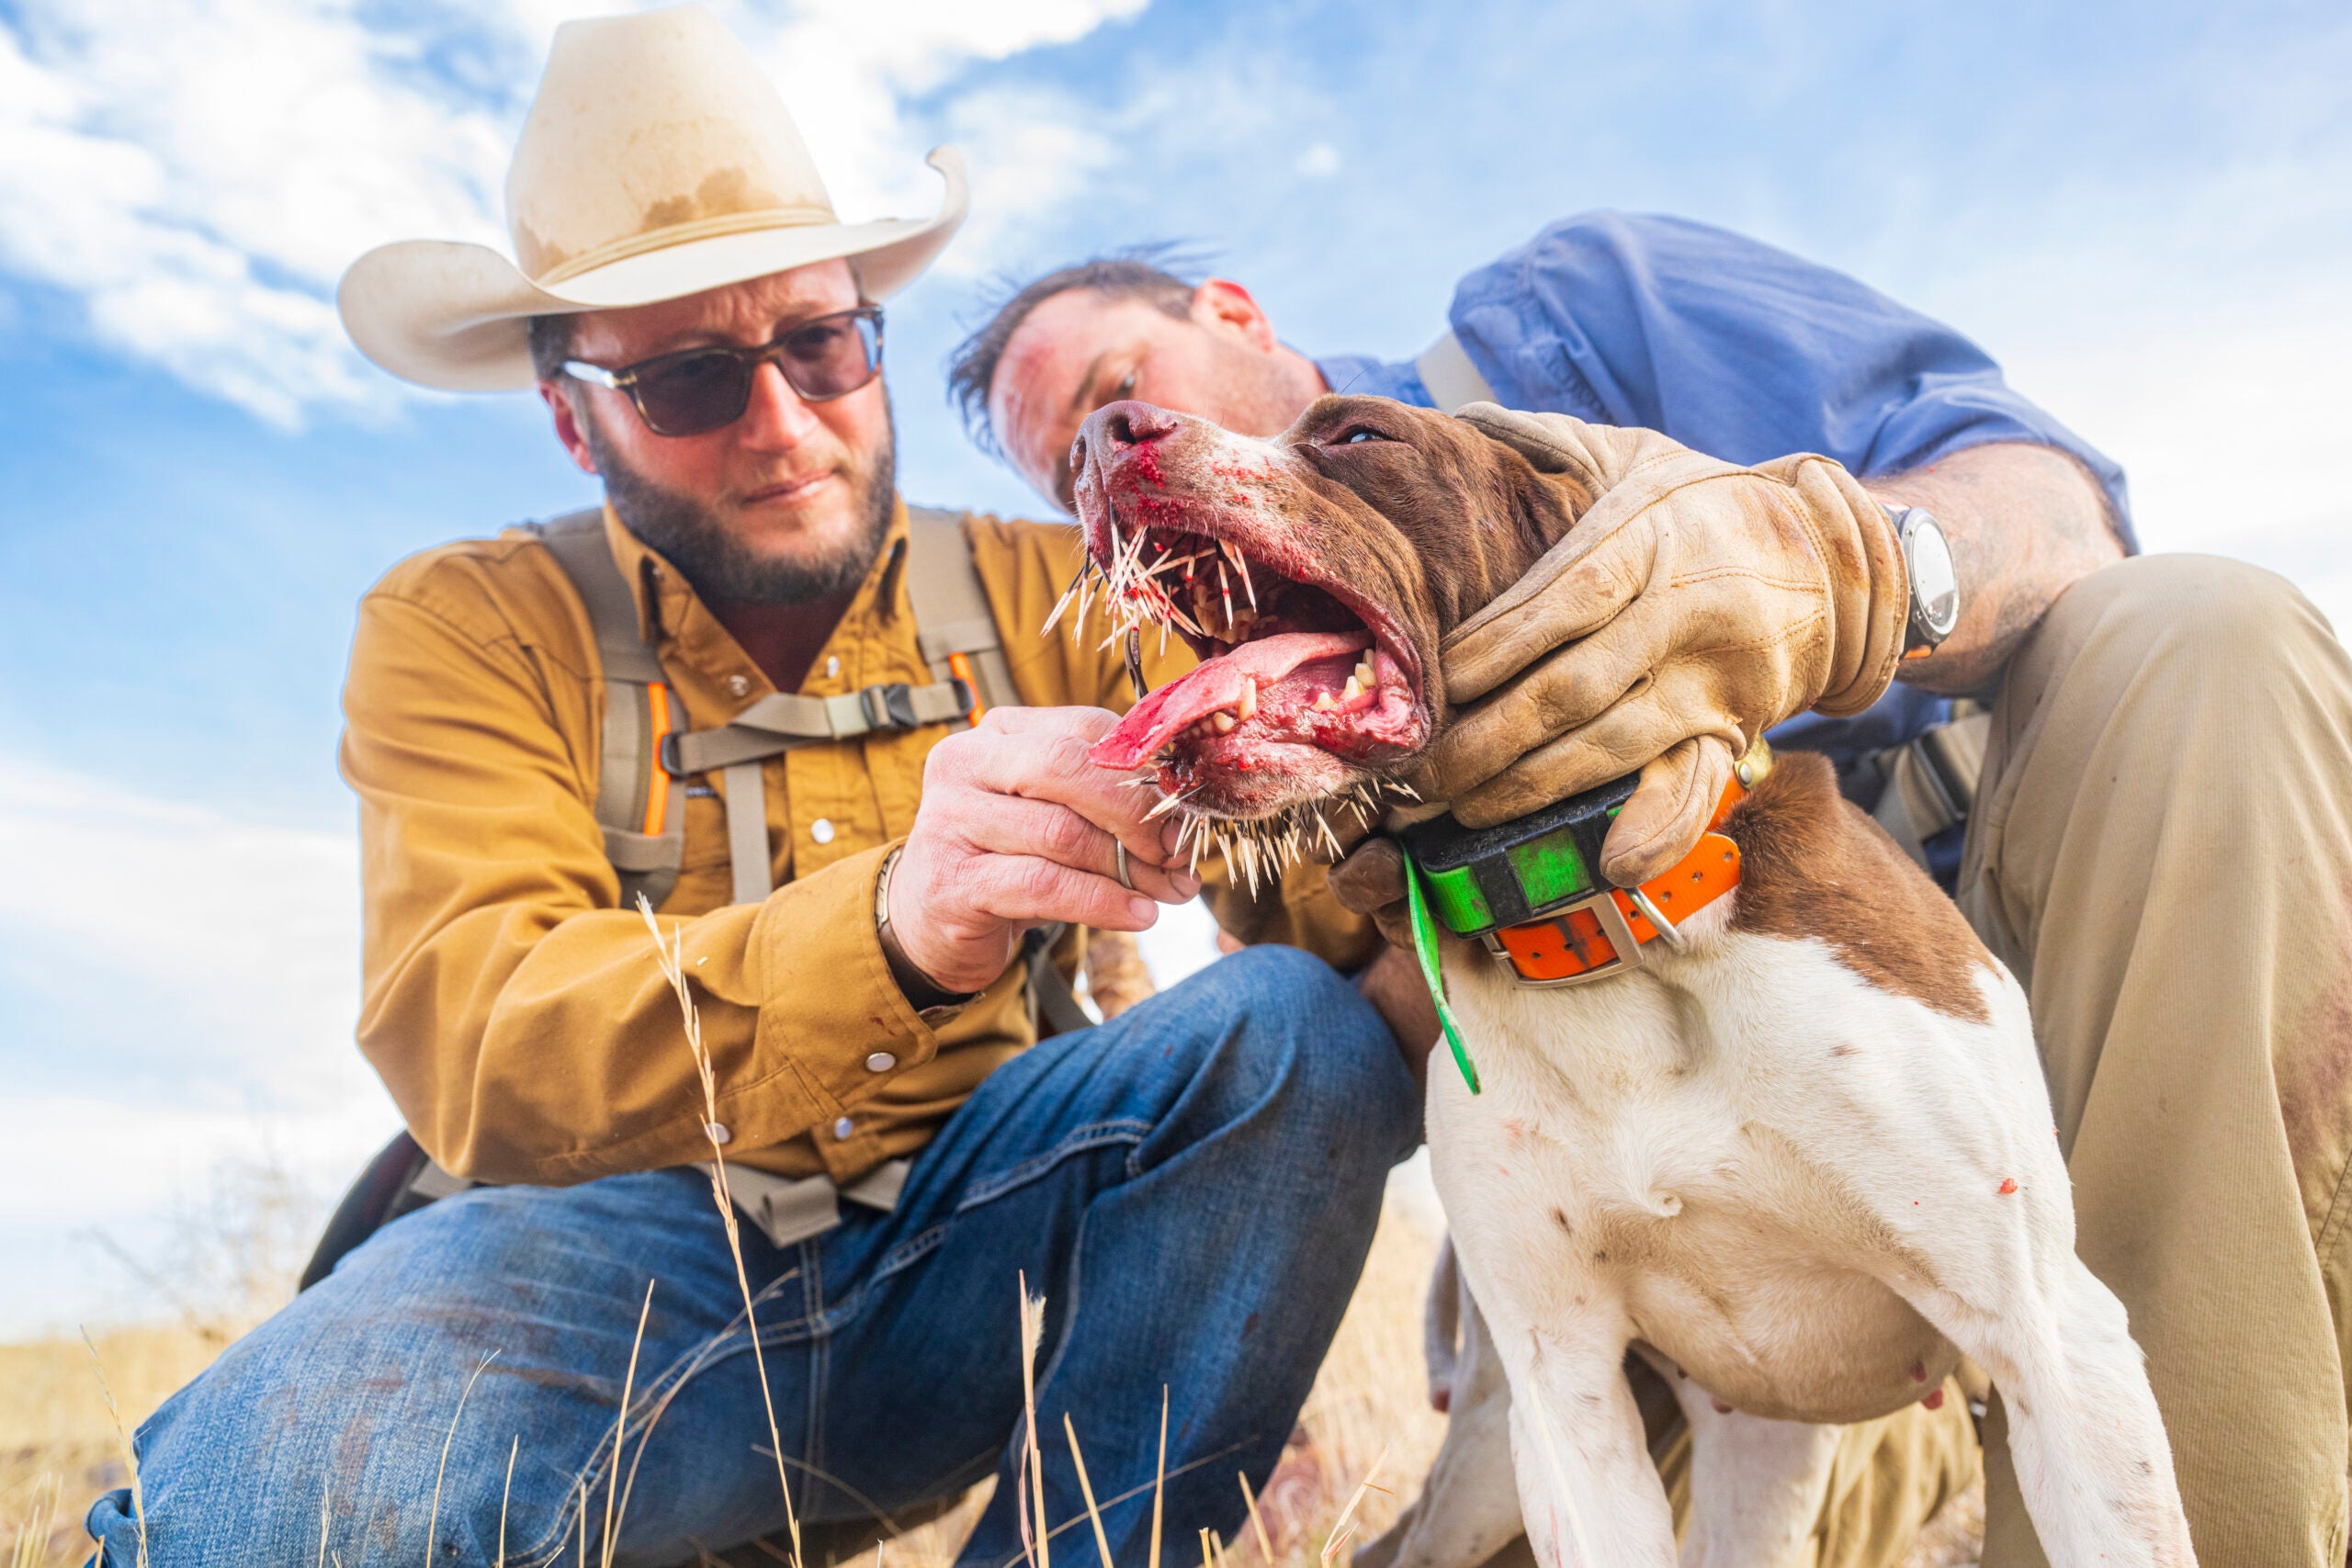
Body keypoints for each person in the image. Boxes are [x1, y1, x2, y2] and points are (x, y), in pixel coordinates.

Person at [83, 11, 1425, 1566]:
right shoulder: (464, 625)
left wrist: (1244, 1315)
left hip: (988, 1248)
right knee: (271, 1508)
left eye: (819, 344)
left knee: (1288, 1035)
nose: (787, 427)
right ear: (572, 417)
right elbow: (481, 1027)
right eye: (692, 380)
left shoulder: (1058, 586)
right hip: (614, 1279)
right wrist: (901, 931)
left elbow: (1333, 901)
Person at [954, 232, 2352, 1566]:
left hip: (2025, 915)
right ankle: (1906, 1456)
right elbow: (1357, 1044)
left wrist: (1827, 563)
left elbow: (2059, 509)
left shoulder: (1576, 313)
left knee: (2198, 634)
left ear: (1234, 314)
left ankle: (2189, 1467)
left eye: (1118, 393)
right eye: (1065, 468)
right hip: (1682, 1185)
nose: (1110, 459)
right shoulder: (1249, 695)